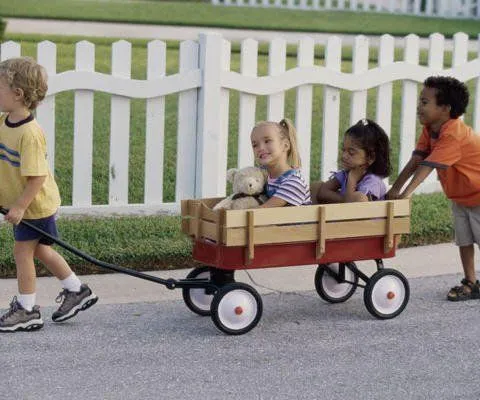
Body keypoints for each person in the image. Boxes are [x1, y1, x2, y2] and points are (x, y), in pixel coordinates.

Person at [0, 57, 98, 332]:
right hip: (28, 205)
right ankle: (76, 289)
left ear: (17, 94)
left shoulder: (30, 134)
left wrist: (19, 207)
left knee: (23, 253)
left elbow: (37, 177)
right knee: (41, 250)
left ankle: (28, 309)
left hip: (35, 205)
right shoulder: (5, 121)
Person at [387, 76, 480, 301]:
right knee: (464, 240)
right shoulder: (431, 129)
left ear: (445, 108)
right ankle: (471, 282)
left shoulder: (454, 134)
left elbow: (427, 168)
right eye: (420, 101)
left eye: (425, 102)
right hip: (460, 196)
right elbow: (417, 159)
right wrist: (394, 190)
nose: (419, 106)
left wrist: (406, 195)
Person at [311, 119, 391, 204]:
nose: (344, 156)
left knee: (359, 197)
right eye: (343, 150)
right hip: (343, 214)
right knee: (316, 187)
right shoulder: (345, 174)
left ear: (370, 157)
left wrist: (352, 180)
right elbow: (322, 192)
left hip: (365, 217)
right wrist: (344, 200)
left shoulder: (373, 182)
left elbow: (355, 206)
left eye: (351, 153)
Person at [250, 118, 311, 207]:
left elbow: (262, 212)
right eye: (255, 145)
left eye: (267, 141)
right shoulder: (262, 178)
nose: (260, 148)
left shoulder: (293, 182)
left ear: (285, 145)